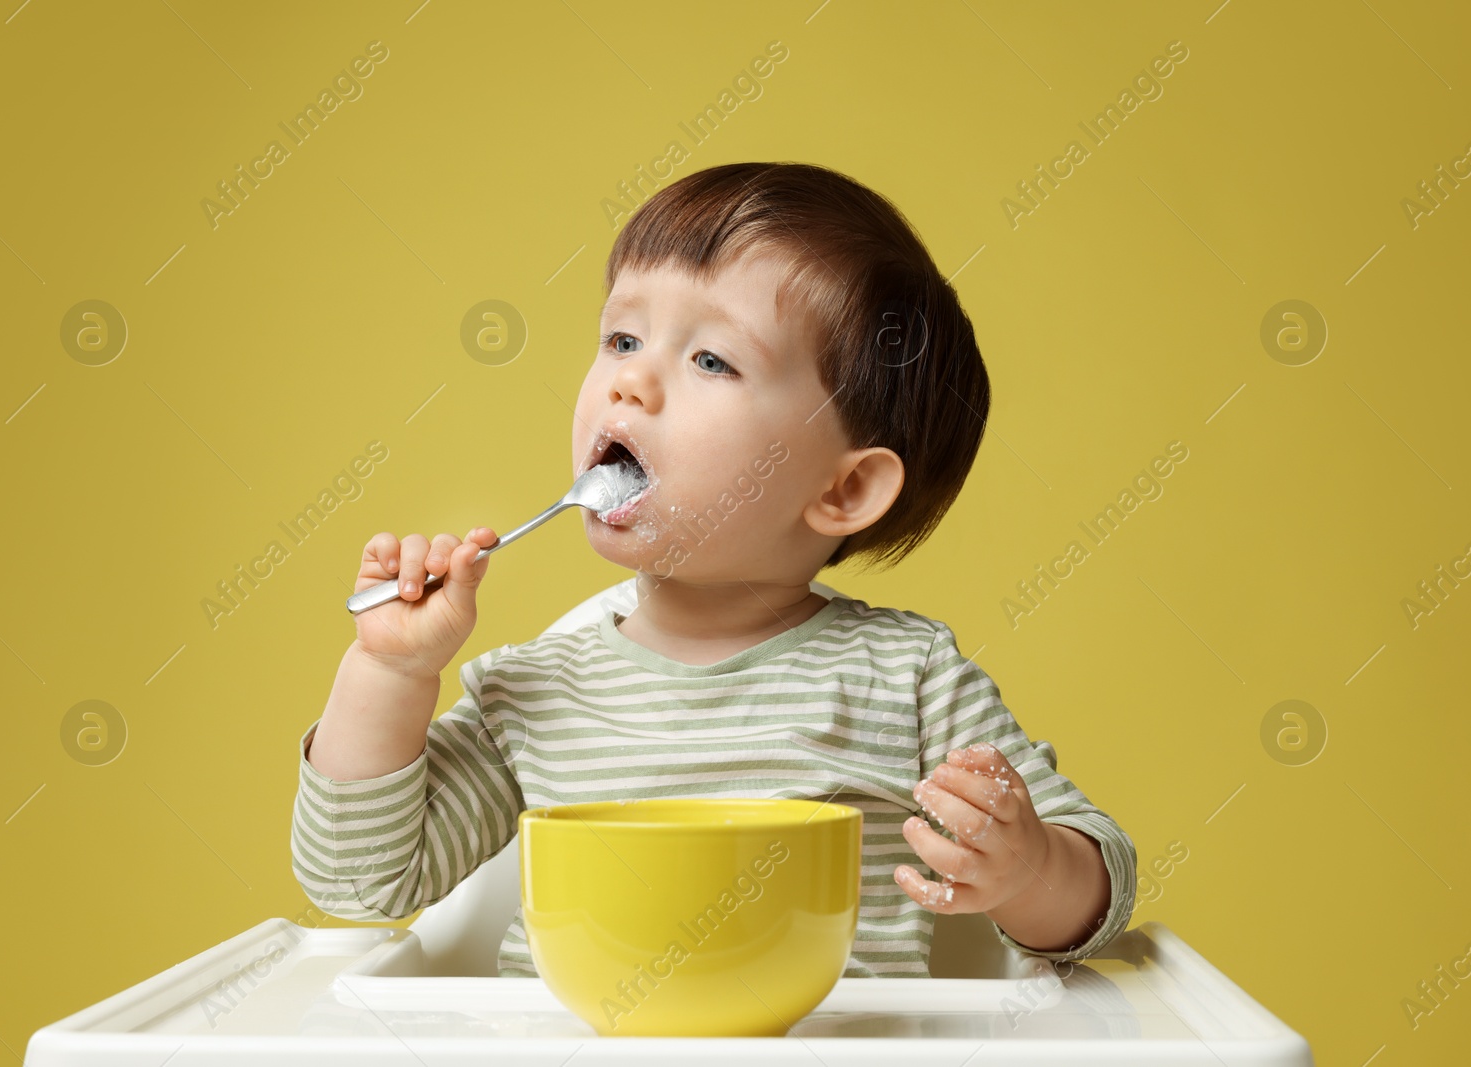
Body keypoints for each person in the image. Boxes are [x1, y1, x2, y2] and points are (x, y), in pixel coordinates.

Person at [292, 161, 1136, 977]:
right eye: (623, 337)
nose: (629, 380)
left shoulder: (906, 680)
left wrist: (1027, 872)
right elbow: (363, 881)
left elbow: (1099, 889)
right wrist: (389, 670)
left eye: (710, 360)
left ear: (842, 489)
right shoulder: (533, 691)